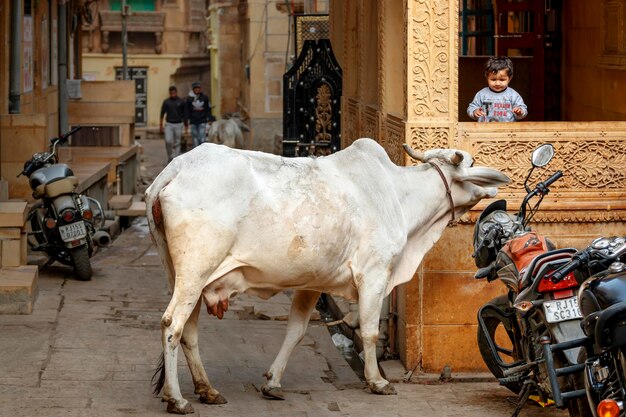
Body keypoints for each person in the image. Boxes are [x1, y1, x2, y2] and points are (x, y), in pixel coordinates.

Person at [467, 56, 528, 122]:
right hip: (485, 130)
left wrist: (519, 111)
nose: (497, 83)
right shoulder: (481, 94)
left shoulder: (513, 95)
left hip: (507, 130)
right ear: (487, 77)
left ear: (509, 79)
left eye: (502, 80)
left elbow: (523, 110)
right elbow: (472, 107)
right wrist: (474, 111)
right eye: (493, 79)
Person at [185, 81, 214, 149]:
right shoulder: (189, 99)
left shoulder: (205, 97)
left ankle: (203, 152)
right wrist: (186, 121)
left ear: (200, 89)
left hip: (202, 121)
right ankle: (197, 156)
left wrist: (210, 118)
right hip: (193, 121)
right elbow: (187, 110)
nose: (197, 90)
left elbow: (208, 109)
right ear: (193, 89)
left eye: (198, 88)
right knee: (195, 141)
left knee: (202, 139)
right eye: (195, 88)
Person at [159, 85, 186, 162]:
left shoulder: (181, 101)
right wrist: (160, 125)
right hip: (169, 124)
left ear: (176, 92)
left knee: (177, 142)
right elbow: (162, 113)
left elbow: (184, 114)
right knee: (168, 141)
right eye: (171, 93)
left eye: (174, 93)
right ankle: (170, 156)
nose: (173, 95)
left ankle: (176, 158)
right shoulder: (166, 102)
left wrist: (186, 125)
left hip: (179, 124)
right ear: (169, 93)